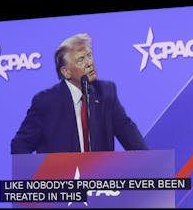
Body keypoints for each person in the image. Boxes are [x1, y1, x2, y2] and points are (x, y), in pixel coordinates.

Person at [11, 32, 147, 154]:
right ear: (66, 72)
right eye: (81, 60)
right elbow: (20, 145)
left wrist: (151, 165)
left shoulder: (106, 93)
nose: (89, 63)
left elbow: (129, 135)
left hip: (99, 179)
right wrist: (40, 178)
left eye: (89, 55)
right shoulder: (46, 102)